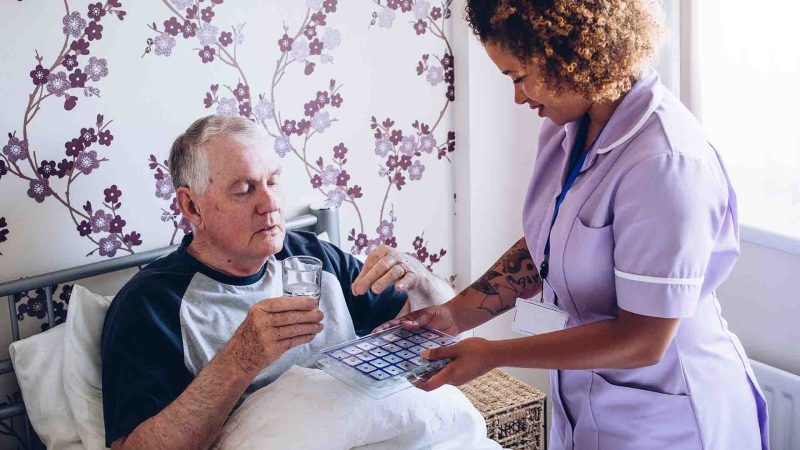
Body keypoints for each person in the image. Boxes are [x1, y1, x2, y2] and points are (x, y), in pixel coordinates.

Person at [373, 1, 769, 449]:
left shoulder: (664, 164)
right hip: (588, 404)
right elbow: (550, 243)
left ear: (570, 53)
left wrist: (493, 355)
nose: (518, 97)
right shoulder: (570, 125)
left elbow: (643, 340)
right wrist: (455, 313)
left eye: (518, 76)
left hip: (671, 417)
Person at [101, 115, 454, 449]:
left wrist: (421, 280)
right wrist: (240, 358)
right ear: (192, 207)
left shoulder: (317, 257)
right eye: (243, 189)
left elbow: (443, 329)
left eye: (272, 182)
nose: (270, 204)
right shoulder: (151, 304)